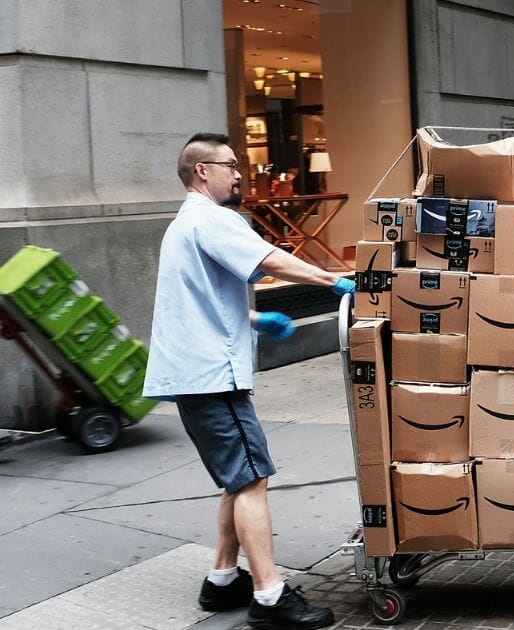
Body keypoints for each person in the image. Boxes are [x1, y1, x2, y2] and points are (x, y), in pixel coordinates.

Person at [144, 132, 354, 629]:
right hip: (211, 377)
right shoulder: (211, 219)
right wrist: (337, 279)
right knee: (253, 479)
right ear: (202, 171)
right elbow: (271, 261)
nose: (239, 173)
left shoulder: (184, 226)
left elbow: (199, 301)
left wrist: (259, 322)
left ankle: (221, 580)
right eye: (230, 164)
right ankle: (269, 596)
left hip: (199, 374)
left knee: (237, 479)